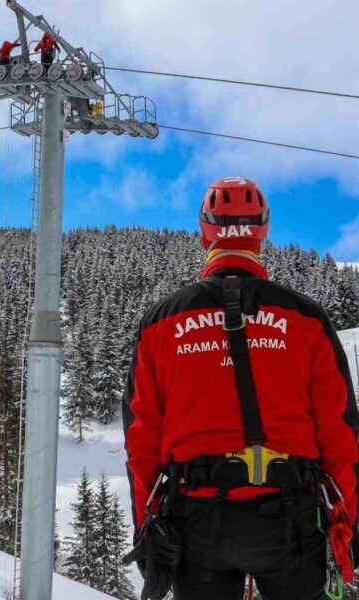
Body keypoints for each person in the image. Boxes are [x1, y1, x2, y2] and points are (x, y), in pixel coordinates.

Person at [122, 177, 359, 600]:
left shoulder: (161, 322)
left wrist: (146, 525)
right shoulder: (305, 317)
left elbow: (141, 439)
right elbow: (340, 433)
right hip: (291, 515)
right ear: (262, 232)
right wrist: (348, 527)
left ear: (205, 233)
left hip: (194, 517)